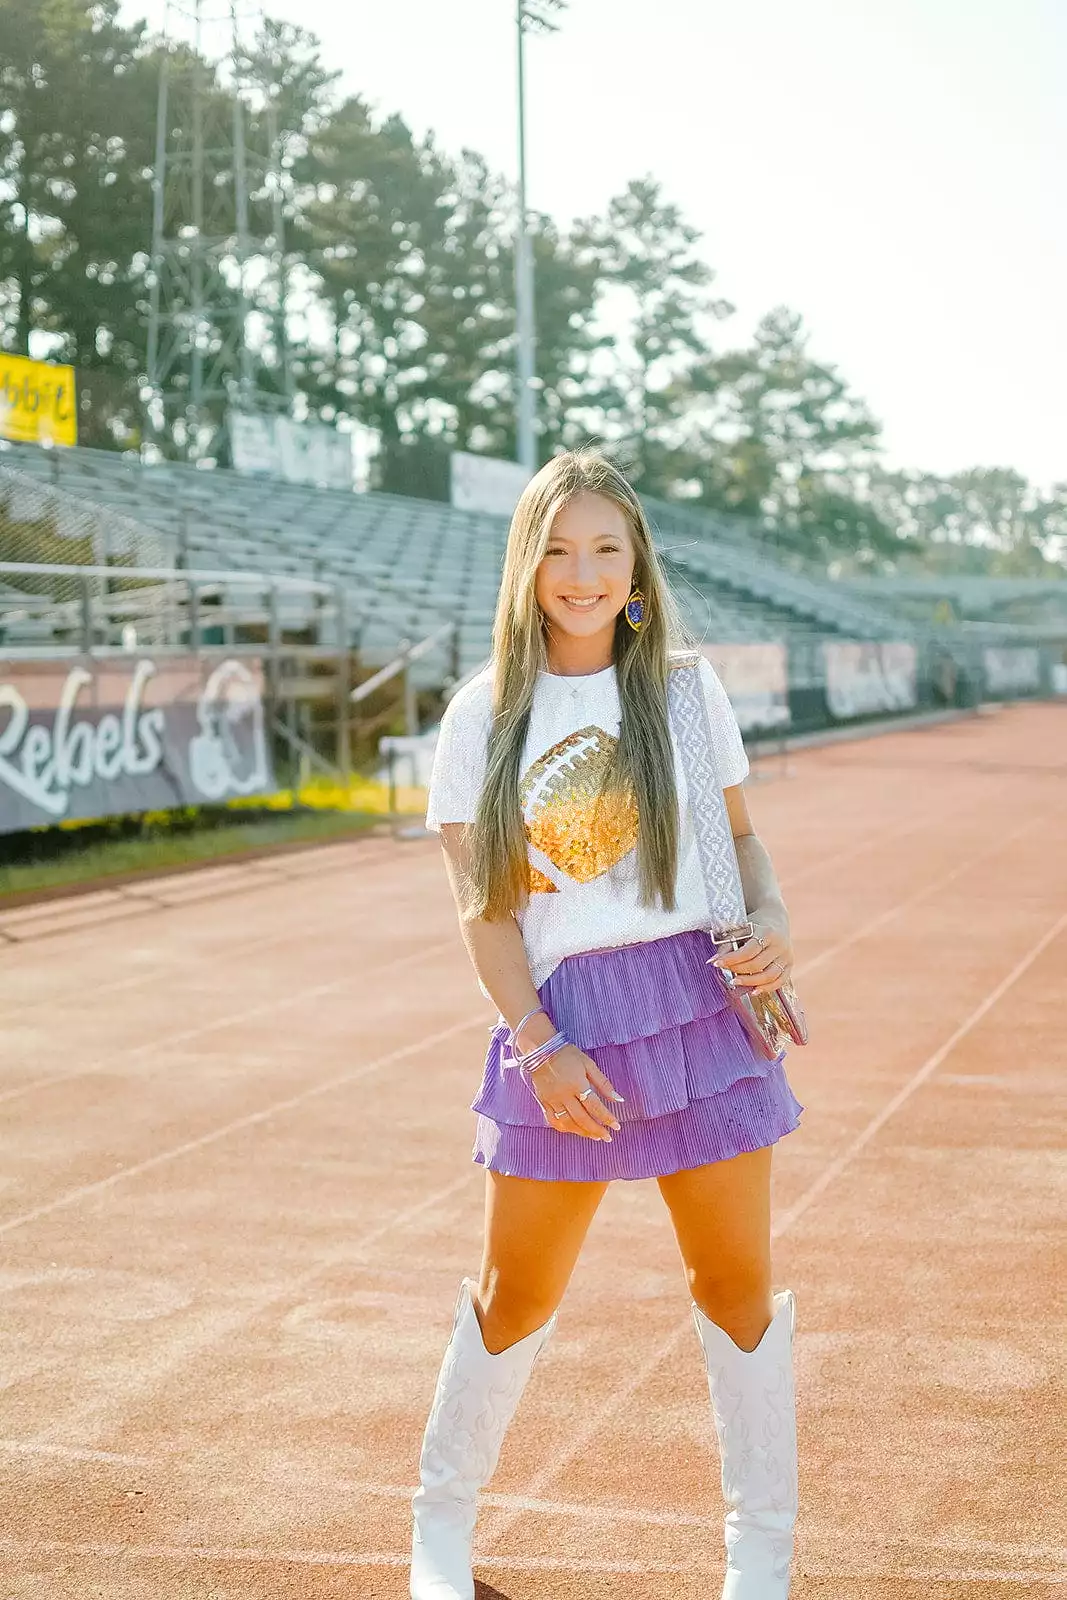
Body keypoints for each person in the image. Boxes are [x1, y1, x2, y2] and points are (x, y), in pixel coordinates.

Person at [411, 449, 805, 1600]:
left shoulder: (684, 690)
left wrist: (772, 919)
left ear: (635, 568)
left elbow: (739, 845)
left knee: (734, 1284)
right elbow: (483, 914)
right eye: (557, 548)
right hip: (564, 1022)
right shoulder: (481, 713)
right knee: (516, 1290)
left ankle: (759, 1560)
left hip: (698, 1009)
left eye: (605, 548)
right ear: (526, 564)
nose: (580, 573)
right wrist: (538, 1042)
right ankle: (439, 1535)